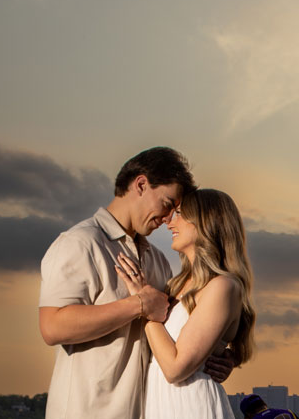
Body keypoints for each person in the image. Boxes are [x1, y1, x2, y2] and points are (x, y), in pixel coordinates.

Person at [38, 146, 234, 418]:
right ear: (141, 184)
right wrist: (138, 305)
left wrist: (218, 358)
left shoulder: (159, 261)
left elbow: (180, 333)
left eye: (175, 212)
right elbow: (52, 326)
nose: (168, 219)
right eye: (167, 204)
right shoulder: (80, 243)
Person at [116, 188, 256, 419]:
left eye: (180, 214)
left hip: (192, 406)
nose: (170, 223)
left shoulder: (223, 286)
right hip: (159, 405)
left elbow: (174, 369)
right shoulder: (175, 285)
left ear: (205, 222)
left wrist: (146, 309)